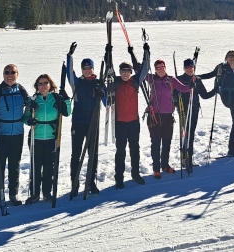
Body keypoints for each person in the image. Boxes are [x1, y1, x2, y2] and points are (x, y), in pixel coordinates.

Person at [23, 74, 71, 204]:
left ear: (50, 85)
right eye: (40, 84)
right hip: (36, 137)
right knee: (36, 166)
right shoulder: (33, 99)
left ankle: (47, 192)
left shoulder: (56, 98)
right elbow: (26, 117)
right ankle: (34, 193)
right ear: (37, 86)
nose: (43, 86)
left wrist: (66, 98)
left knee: (49, 166)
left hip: (51, 137)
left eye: (45, 83)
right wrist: (29, 121)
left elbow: (67, 112)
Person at [66, 43, 106, 198]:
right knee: (76, 154)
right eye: (85, 68)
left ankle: (91, 182)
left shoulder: (98, 83)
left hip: (93, 123)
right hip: (78, 122)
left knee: (93, 154)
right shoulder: (78, 83)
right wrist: (70, 56)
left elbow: (107, 102)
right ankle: (74, 183)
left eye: (90, 68)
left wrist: (103, 92)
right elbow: (70, 74)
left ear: (93, 69)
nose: (87, 71)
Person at [0, 64, 30, 207]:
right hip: (1, 134)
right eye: (7, 72)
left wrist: (32, 109)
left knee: (14, 166)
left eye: (13, 72)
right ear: (3, 75)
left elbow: (30, 104)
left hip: (18, 134)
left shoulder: (21, 90)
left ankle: (13, 194)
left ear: (17, 74)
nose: (10, 75)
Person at [111, 42, 150, 188]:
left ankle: (135, 174)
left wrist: (146, 51)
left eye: (128, 71)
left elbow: (145, 68)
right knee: (120, 151)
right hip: (120, 123)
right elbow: (108, 71)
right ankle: (118, 178)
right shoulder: (114, 82)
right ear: (120, 72)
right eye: (123, 71)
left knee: (135, 149)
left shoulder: (135, 81)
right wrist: (108, 53)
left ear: (131, 72)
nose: (125, 74)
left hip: (134, 122)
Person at [145, 59, 193, 179]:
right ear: (155, 69)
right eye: (158, 68)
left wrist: (191, 86)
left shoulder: (171, 80)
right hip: (154, 116)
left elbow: (183, 88)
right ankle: (156, 168)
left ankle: (165, 165)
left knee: (167, 142)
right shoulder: (151, 78)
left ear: (165, 67)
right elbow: (140, 71)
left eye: (162, 67)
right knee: (156, 142)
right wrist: (143, 53)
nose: (160, 70)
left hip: (167, 116)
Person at [175, 58, 217, 172]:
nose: (189, 69)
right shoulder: (179, 79)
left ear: (194, 67)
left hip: (194, 110)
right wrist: (177, 103)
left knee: (191, 134)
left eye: (191, 67)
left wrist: (215, 90)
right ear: (184, 68)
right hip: (184, 110)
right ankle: (186, 159)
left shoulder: (197, 79)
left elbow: (204, 95)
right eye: (187, 67)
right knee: (187, 134)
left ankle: (188, 158)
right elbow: (174, 95)